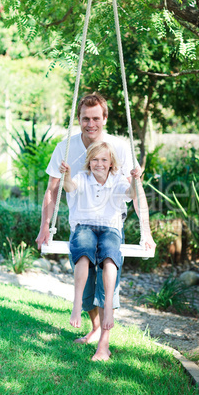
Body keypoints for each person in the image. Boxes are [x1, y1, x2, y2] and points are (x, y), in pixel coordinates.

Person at [36, 92, 156, 361]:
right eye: (85, 118)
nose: (90, 124)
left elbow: (136, 191)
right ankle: (93, 329)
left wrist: (146, 231)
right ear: (78, 119)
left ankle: (104, 343)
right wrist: (45, 226)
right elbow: (53, 190)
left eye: (95, 118)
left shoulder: (119, 148)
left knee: (106, 281)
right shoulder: (65, 148)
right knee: (87, 283)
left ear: (105, 119)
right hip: (81, 224)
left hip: (111, 225)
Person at [59, 141, 139, 342]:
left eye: (104, 159)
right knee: (84, 252)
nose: (99, 163)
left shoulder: (118, 180)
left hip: (110, 228)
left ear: (111, 162)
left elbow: (131, 194)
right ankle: (76, 305)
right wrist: (66, 176)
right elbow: (70, 187)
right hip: (84, 225)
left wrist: (136, 180)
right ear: (89, 162)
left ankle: (109, 308)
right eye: (95, 159)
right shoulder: (82, 177)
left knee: (110, 257)